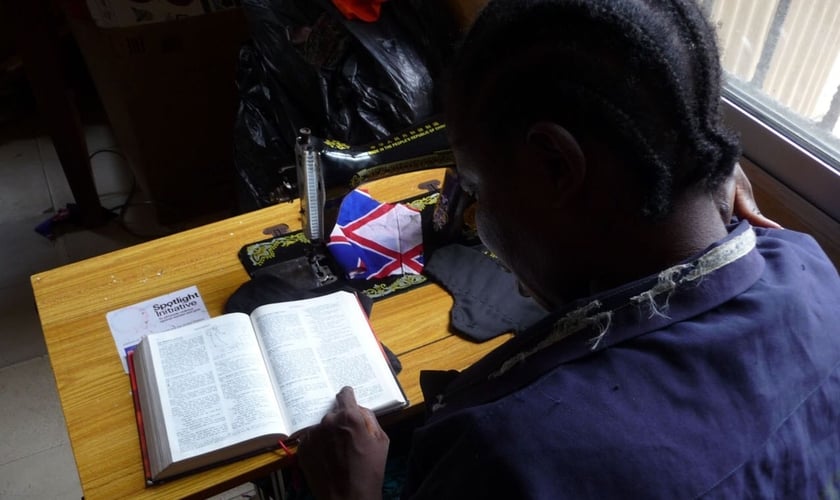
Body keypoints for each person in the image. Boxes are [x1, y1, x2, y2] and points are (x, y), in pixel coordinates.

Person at [295, 0, 840, 498]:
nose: (475, 217)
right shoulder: (813, 271)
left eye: (478, 192)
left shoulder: (507, 454)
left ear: (554, 166)